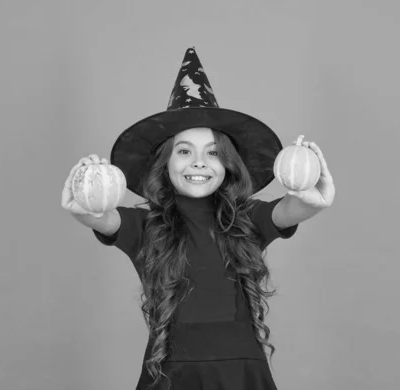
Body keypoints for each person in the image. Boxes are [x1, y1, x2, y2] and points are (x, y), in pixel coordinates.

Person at [61, 48, 335, 390]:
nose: (199, 163)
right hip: (172, 375)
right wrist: (83, 205)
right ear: (165, 164)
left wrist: (312, 199)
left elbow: (291, 209)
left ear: (228, 165)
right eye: (185, 151)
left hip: (241, 375)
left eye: (213, 153)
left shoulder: (247, 218)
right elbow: (101, 218)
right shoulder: (145, 226)